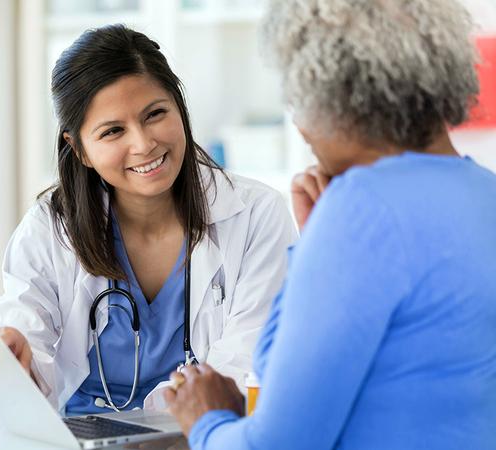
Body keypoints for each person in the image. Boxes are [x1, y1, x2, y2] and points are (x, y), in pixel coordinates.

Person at [165, 0, 496, 448]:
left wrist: (206, 421)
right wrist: (316, 242)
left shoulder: (361, 209)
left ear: (332, 97)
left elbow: (278, 444)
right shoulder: (483, 193)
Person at [0, 24, 297, 415]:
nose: (143, 143)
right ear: (79, 148)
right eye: (113, 131)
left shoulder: (256, 215)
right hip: (82, 439)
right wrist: (14, 363)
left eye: (155, 114)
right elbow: (24, 344)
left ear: (179, 108)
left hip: (200, 435)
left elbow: (248, 362)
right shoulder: (49, 230)